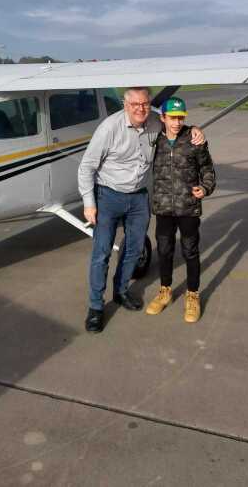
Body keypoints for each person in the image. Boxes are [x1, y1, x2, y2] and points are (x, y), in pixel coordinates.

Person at [78, 87, 205, 333]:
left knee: (135, 249)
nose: (141, 108)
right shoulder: (109, 128)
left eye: (145, 103)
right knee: (102, 253)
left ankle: (121, 291)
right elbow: (86, 167)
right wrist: (89, 203)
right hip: (108, 196)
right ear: (125, 105)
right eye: (135, 104)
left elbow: (176, 125)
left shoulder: (155, 121)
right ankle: (95, 307)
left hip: (138, 197)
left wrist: (196, 130)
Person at [146, 96, 216, 323]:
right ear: (163, 118)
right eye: (172, 118)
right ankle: (165, 290)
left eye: (181, 118)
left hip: (188, 207)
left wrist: (205, 188)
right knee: (164, 250)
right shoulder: (154, 140)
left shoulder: (194, 140)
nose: (177, 123)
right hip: (163, 208)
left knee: (190, 251)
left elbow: (207, 169)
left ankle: (192, 295)